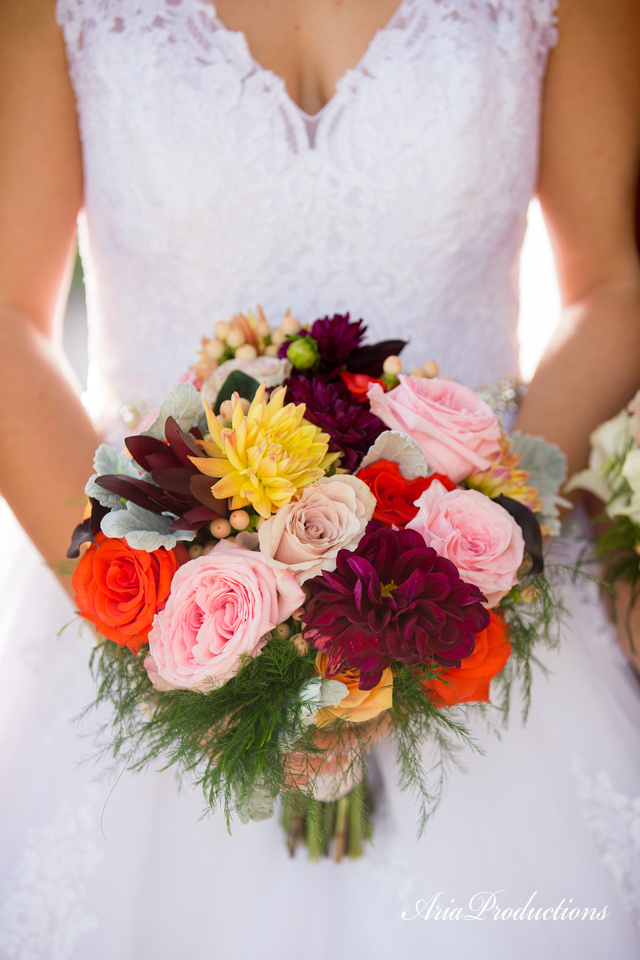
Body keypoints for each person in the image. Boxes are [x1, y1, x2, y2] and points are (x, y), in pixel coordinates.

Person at [0, 1, 639, 957]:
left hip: (487, 592)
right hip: (157, 593)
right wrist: (169, 626)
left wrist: (488, 547)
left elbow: (609, 287)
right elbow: (9, 318)